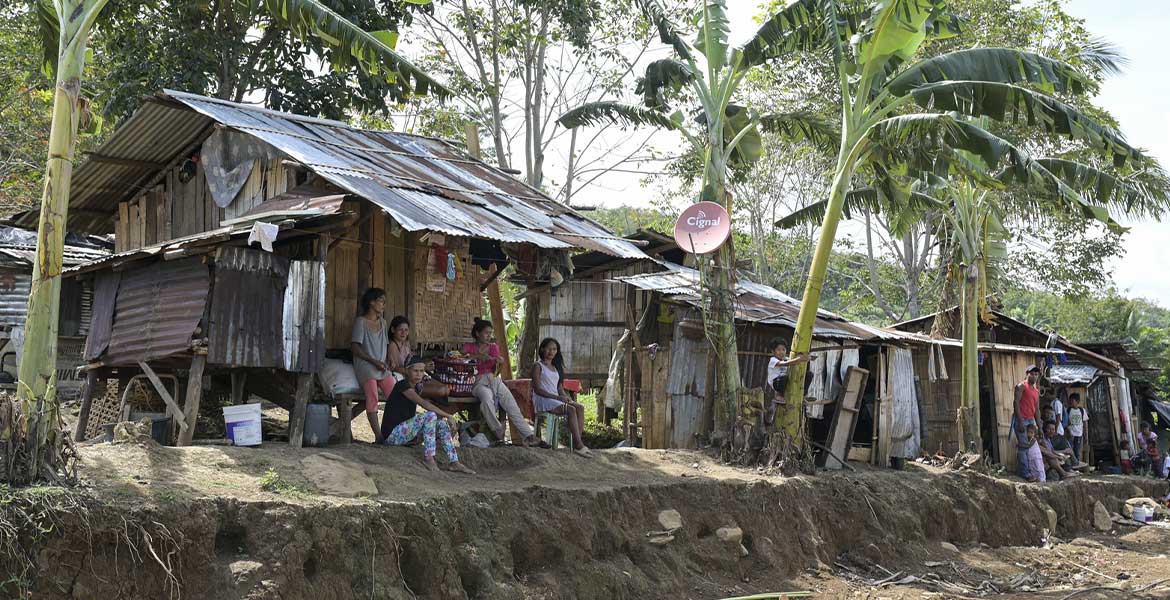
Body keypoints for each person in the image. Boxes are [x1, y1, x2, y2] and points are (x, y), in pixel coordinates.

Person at [381, 357, 475, 475]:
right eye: (415, 371)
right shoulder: (402, 385)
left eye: (421, 371)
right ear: (407, 371)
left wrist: (445, 417)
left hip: (405, 433)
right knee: (430, 415)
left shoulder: (417, 387)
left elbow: (433, 399)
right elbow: (424, 404)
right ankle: (429, 458)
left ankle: (454, 461)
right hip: (392, 435)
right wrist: (449, 416)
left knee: (441, 423)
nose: (419, 374)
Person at [464, 318, 543, 447]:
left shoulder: (493, 348)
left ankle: (529, 436)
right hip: (478, 382)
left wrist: (500, 364)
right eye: (486, 333)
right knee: (487, 400)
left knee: (511, 405)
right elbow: (460, 357)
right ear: (477, 334)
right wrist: (478, 356)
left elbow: (496, 371)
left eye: (490, 333)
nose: (489, 336)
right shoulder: (469, 347)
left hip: (494, 380)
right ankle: (497, 430)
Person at [530, 337, 592, 457]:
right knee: (571, 409)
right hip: (543, 399)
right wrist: (558, 398)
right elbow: (537, 389)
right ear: (542, 349)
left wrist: (565, 397)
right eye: (549, 349)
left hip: (554, 399)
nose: (551, 352)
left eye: (554, 349)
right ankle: (579, 445)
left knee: (579, 407)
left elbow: (559, 388)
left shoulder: (555, 367)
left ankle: (576, 443)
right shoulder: (538, 366)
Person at [352, 288, 396, 442]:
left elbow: (386, 344)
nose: (384, 304)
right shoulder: (361, 322)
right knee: (373, 396)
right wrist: (373, 361)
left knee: (396, 395)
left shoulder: (383, 323)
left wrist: (389, 358)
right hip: (365, 365)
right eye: (381, 301)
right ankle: (379, 436)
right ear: (371, 302)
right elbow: (355, 348)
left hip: (380, 365)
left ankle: (393, 433)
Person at [764, 338, 811, 425]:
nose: (781, 352)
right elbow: (785, 364)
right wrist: (799, 359)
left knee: (809, 374)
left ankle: (803, 394)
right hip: (776, 383)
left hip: (787, 381)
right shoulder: (773, 360)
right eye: (778, 350)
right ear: (773, 351)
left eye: (783, 349)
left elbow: (793, 362)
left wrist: (806, 359)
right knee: (784, 378)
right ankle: (779, 395)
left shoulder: (787, 358)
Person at [1013, 366, 1042, 479]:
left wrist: (1040, 427)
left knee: (1027, 446)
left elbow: (1037, 410)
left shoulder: (1036, 391)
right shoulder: (1021, 386)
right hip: (1022, 419)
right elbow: (1016, 403)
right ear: (1027, 373)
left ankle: (1025, 470)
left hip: (1030, 420)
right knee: (1023, 446)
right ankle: (1025, 473)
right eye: (1032, 374)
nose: (1034, 376)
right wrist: (1020, 421)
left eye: (1036, 374)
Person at [1066, 394, 1088, 464]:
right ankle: (1071, 464)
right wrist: (1068, 431)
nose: (1071, 402)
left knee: (1077, 450)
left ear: (1077, 401)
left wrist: (1085, 434)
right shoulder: (1068, 410)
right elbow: (1066, 422)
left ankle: (1076, 464)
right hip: (1070, 434)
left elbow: (1085, 423)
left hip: (1079, 434)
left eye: (1073, 401)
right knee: (1070, 449)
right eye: (1070, 401)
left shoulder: (1082, 410)